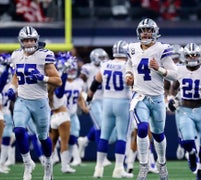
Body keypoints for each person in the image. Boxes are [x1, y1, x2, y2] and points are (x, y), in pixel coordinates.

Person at [125, 18, 178, 180]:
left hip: (157, 98)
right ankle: (143, 165)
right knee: (142, 128)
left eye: (148, 30)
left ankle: (161, 164)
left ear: (155, 32)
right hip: (139, 96)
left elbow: (175, 75)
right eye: (143, 30)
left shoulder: (162, 49)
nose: (145, 33)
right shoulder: (132, 48)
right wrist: (128, 76)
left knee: (158, 134)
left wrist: (159, 69)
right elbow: (129, 66)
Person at [7, 25, 62, 180]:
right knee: (18, 131)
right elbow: (16, 76)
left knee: (43, 137)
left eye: (32, 40)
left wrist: (42, 77)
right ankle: (28, 163)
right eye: (26, 40)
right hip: (22, 100)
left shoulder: (44, 55)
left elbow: (58, 81)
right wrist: (12, 87)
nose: (30, 43)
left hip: (40, 102)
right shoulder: (16, 55)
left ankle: (48, 164)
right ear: (21, 41)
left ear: (37, 40)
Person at [168, 43, 201, 180]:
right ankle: (190, 153)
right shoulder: (179, 69)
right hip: (185, 110)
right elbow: (173, 87)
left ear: (199, 55)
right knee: (188, 141)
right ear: (184, 57)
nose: (192, 57)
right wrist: (171, 99)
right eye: (189, 55)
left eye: (195, 55)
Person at [89, 40, 133, 178]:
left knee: (104, 136)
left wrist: (89, 98)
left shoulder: (105, 64)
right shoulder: (128, 65)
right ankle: (119, 169)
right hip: (123, 102)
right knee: (122, 136)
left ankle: (98, 169)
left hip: (106, 102)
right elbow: (132, 82)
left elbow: (95, 82)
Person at [77, 48, 112, 167]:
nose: (103, 60)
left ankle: (85, 140)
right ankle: (102, 157)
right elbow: (79, 83)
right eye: (100, 57)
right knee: (101, 126)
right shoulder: (88, 68)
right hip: (93, 100)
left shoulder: (108, 66)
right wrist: (82, 98)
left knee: (103, 125)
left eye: (104, 57)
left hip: (106, 99)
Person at [49, 53, 77, 173]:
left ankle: (48, 163)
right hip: (63, 117)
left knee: (52, 143)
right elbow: (62, 84)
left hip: (53, 118)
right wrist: (65, 71)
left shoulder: (48, 92)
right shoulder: (58, 92)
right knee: (64, 143)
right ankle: (65, 166)